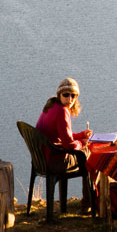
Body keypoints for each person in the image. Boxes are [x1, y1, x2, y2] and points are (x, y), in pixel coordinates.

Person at [36, 77, 93, 211]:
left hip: (42, 158)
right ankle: (88, 204)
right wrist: (82, 143)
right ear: (59, 95)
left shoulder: (51, 106)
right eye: (66, 95)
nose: (70, 99)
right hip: (55, 161)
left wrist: (80, 135)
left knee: (85, 153)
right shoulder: (62, 111)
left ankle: (76, 204)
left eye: (73, 95)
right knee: (89, 158)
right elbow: (69, 146)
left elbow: (62, 135)